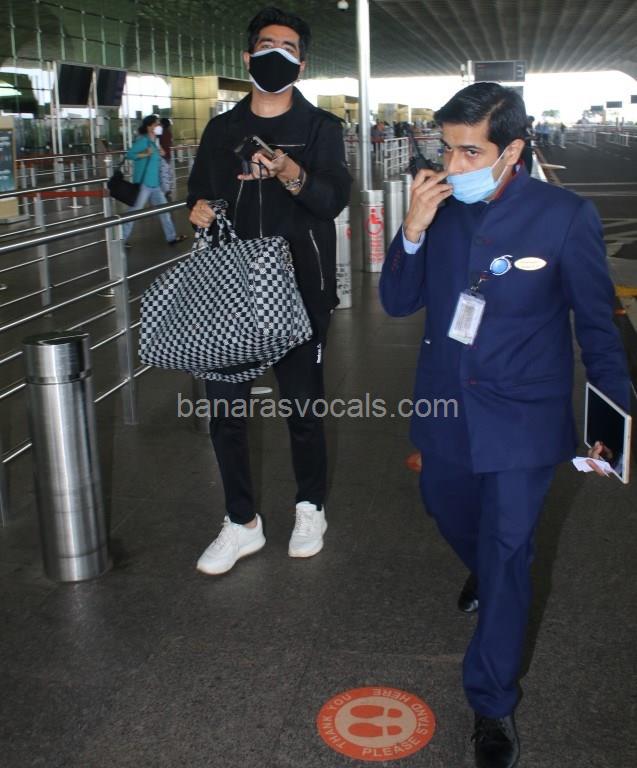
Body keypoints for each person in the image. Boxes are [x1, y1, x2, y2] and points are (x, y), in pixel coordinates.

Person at [379, 82, 630, 768]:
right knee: (447, 509)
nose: (452, 165)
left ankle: (491, 701)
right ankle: (486, 571)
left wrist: (613, 416)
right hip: (444, 408)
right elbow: (396, 302)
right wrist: (411, 230)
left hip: (523, 415)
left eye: (470, 152)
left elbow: (596, 325)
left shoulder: (563, 216)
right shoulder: (438, 209)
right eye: (446, 149)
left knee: (511, 549)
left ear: (512, 150)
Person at [187, 6, 351, 576]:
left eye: (287, 47)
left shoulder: (322, 128)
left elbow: (332, 200)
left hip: (299, 289)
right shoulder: (221, 129)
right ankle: (241, 522)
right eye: (265, 45)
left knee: (302, 406)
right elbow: (197, 192)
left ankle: (311, 507)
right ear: (247, 56)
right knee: (225, 412)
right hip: (230, 292)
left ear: (301, 64)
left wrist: (290, 173)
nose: (275, 54)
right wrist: (198, 209)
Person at [122, 114, 187, 247]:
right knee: (134, 211)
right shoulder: (143, 141)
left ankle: (171, 237)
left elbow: (157, 159)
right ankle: (121, 240)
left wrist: (160, 152)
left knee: (164, 211)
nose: (159, 126)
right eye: (156, 124)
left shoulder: (154, 142)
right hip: (144, 184)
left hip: (155, 184)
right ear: (149, 127)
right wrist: (145, 153)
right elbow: (129, 155)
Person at [158, 117, 176, 200]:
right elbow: (171, 143)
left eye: (160, 123)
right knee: (166, 173)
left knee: (163, 173)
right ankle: (167, 190)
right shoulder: (169, 133)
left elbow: (158, 144)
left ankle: (166, 191)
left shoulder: (161, 133)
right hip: (168, 155)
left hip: (162, 156)